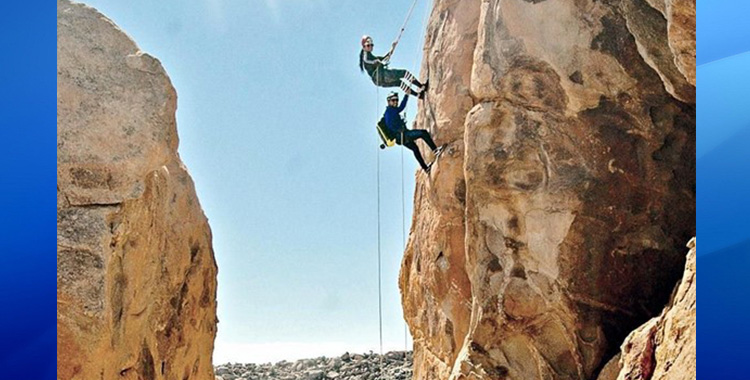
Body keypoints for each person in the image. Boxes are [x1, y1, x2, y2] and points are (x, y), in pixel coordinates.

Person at [383, 91, 442, 173]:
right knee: (423, 133)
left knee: (415, 148)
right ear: (389, 102)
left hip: (401, 138)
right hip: (402, 135)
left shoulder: (392, 110)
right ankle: (435, 150)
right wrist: (398, 129)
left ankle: (425, 168)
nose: (395, 102)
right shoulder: (389, 112)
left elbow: (400, 108)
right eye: (393, 100)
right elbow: (391, 124)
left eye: (396, 100)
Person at [359, 35, 428, 99]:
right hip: (381, 75)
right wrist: (377, 62)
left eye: (371, 45)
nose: (370, 47)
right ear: (364, 47)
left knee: (399, 83)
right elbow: (370, 61)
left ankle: (418, 95)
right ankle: (421, 86)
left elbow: (384, 58)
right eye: (368, 45)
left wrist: (392, 48)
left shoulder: (369, 56)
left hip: (379, 81)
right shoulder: (366, 57)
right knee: (404, 73)